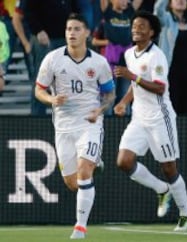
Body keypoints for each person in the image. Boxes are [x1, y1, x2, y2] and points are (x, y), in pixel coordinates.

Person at [34, 13, 115, 239]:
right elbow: (38, 90)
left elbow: (109, 93)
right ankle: (94, 160)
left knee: (84, 172)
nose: (71, 33)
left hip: (89, 123)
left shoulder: (99, 62)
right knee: (72, 183)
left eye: (77, 29)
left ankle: (80, 227)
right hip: (63, 127)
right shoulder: (52, 59)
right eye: (69, 29)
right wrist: (51, 100)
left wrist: (100, 110)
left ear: (87, 33)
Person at [113, 11, 187, 231]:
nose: (136, 29)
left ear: (151, 32)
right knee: (124, 161)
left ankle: (186, 214)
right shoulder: (130, 54)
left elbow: (160, 88)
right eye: (134, 26)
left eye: (141, 27)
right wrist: (124, 102)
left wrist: (133, 77)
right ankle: (161, 189)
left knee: (169, 168)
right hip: (139, 117)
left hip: (160, 118)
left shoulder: (156, 55)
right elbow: (135, 85)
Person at [27, 0, 79, 116]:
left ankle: (66, 117)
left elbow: (74, 10)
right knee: (41, 79)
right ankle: (37, 118)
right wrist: (38, 30)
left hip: (65, 38)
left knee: (67, 79)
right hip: (44, 39)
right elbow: (28, 11)